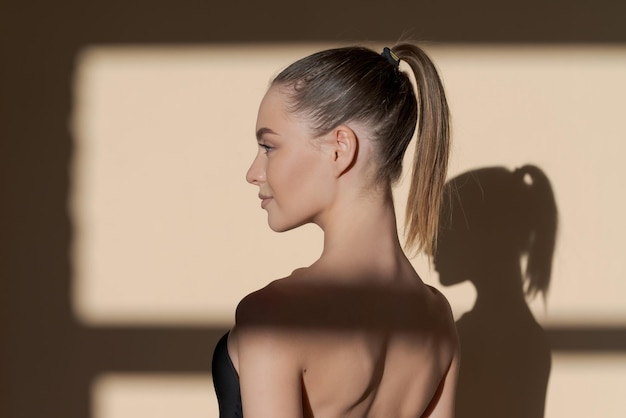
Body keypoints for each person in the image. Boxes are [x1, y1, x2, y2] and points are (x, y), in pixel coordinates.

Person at [212, 44, 459, 418]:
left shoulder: (274, 315)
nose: (253, 172)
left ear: (340, 148)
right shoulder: (438, 320)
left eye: (268, 146)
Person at [434, 166, 557, 418]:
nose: (431, 247)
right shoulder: (528, 340)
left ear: (481, 233)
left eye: (445, 230)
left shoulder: (475, 339)